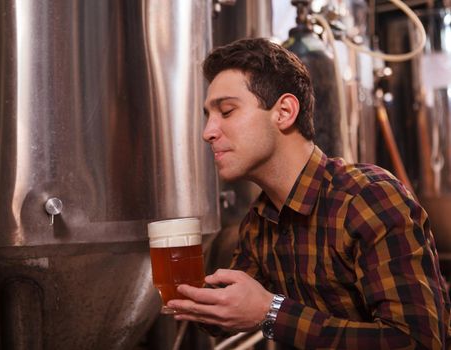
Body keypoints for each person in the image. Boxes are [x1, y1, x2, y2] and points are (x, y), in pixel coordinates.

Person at [166, 38, 451, 349]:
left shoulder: (368, 199)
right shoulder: (260, 221)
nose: (208, 131)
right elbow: (227, 312)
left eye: (227, 111)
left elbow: (418, 342)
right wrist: (182, 293)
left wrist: (271, 312)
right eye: (208, 116)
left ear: (285, 112)